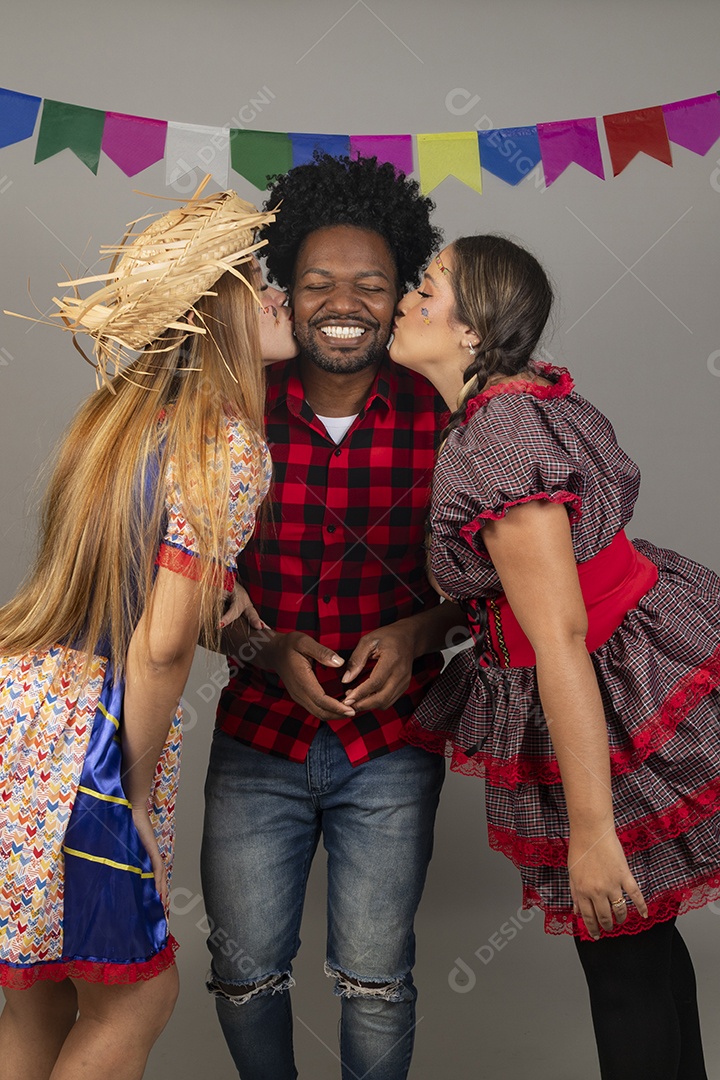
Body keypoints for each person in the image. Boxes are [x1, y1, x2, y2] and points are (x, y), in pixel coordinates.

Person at [389, 233, 719, 1079]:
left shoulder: (495, 437)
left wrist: (592, 832)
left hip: (606, 687)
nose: (403, 299)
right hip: (612, 663)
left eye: (426, 288)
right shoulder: (524, 401)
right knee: (640, 948)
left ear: (472, 329)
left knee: (619, 955)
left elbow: (560, 635)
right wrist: (426, 630)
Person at [0, 182, 297, 1080]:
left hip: (19, 705)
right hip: (86, 743)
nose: (278, 291)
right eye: (258, 275)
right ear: (215, 312)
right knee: (141, 994)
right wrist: (126, 797)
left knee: (35, 992)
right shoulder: (230, 445)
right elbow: (161, 643)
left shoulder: (119, 420)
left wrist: (230, 610)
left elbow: (128, 578)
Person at [200, 154, 465, 1080]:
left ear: (401, 298)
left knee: (377, 980)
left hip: (394, 747)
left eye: (370, 284)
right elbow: (188, 591)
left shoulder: (444, 417)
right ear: (286, 292)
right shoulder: (232, 412)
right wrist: (264, 648)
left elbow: (489, 585)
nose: (342, 301)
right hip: (255, 740)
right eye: (317, 282)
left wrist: (418, 632)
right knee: (241, 975)